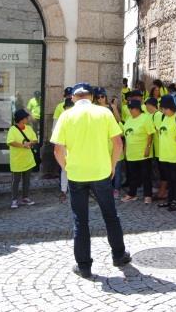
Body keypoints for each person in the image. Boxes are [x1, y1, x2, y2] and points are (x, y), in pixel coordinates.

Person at [51, 82, 131, 278]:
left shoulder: (66, 115)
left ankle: (84, 266)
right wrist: (112, 165)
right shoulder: (104, 113)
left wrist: (67, 168)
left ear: (73, 98)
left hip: (77, 175)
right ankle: (119, 255)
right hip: (101, 172)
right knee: (110, 215)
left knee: (81, 221)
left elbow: (57, 149)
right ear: (92, 97)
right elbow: (118, 143)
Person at [121, 100, 155, 204]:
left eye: (131, 109)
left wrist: (148, 147)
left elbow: (150, 134)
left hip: (143, 153)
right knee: (132, 176)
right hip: (131, 153)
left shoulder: (146, 118)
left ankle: (148, 195)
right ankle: (132, 194)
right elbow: (126, 135)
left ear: (137, 109)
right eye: (129, 109)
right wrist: (125, 149)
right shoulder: (128, 119)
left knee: (146, 175)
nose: (130, 111)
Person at [7, 109, 38, 209]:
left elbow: (35, 139)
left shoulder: (28, 128)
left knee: (26, 180)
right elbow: (10, 141)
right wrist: (23, 145)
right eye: (26, 117)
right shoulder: (12, 129)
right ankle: (14, 200)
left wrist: (30, 143)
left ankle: (25, 197)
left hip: (28, 159)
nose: (27, 119)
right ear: (21, 119)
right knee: (15, 181)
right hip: (17, 160)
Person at [145, 97, 167, 200]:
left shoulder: (157, 115)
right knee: (160, 171)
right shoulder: (152, 115)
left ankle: (162, 192)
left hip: (161, 149)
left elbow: (158, 130)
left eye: (147, 105)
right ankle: (162, 191)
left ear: (151, 105)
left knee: (163, 171)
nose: (146, 107)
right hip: (158, 149)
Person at [55, 98, 75, 203]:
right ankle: (63, 190)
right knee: (64, 169)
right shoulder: (62, 119)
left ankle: (76, 189)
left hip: (76, 148)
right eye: (67, 108)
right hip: (65, 147)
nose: (68, 110)